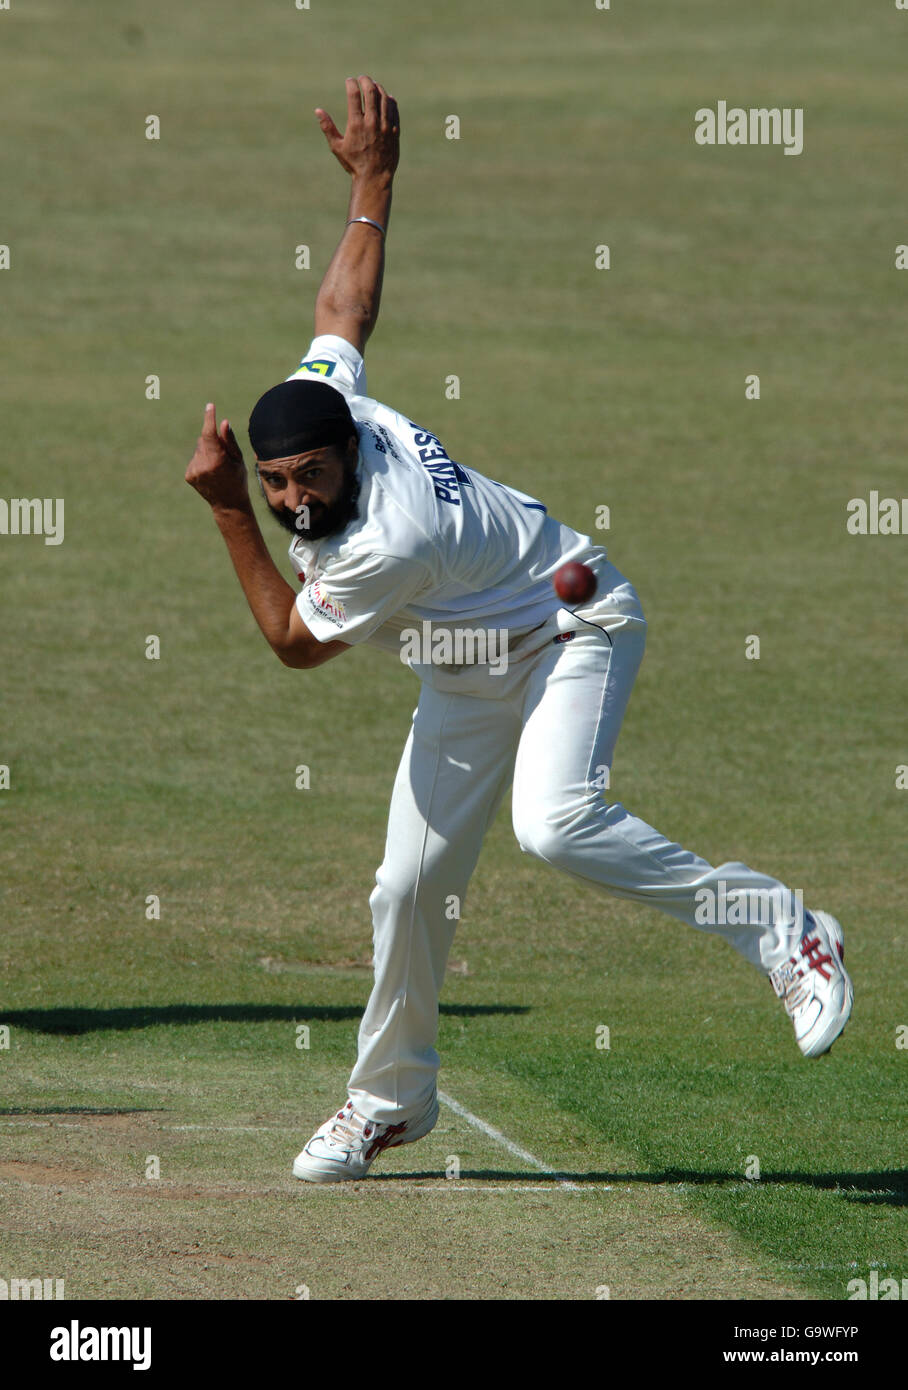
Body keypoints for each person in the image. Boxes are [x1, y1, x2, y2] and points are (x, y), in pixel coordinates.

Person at [185, 76, 854, 1184]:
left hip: (569, 624)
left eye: (310, 477)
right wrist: (373, 181)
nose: (295, 500)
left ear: (347, 452)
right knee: (404, 888)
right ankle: (389, 1100)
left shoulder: (383, 537)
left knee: (555, 824)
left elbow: (294, 643)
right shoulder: (332, 403)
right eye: (271, 486)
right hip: (465, 657)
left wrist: (220, 512)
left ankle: (783, 928)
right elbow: (340, 317)